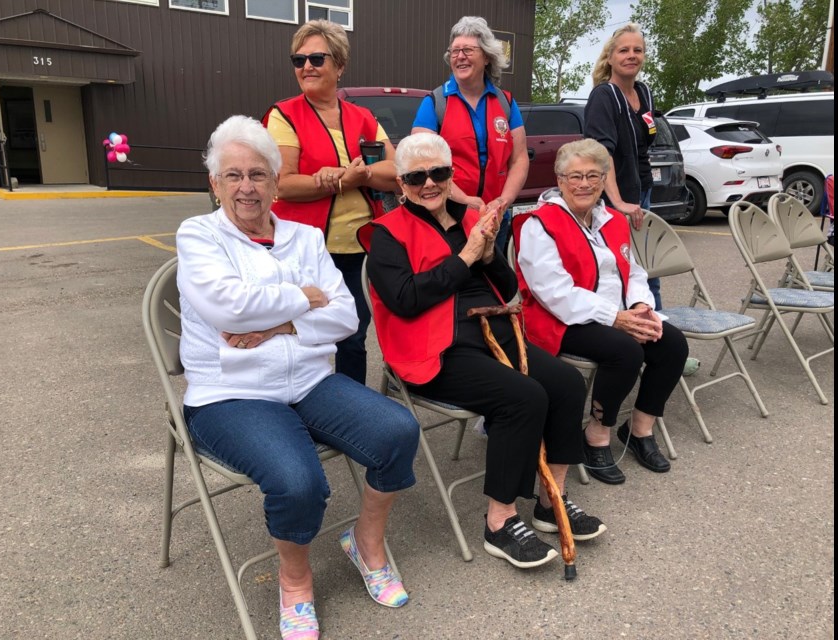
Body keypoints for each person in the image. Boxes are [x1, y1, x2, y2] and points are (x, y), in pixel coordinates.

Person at [179, 115, 419, 640]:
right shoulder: (198, 235)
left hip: (308, 381)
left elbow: (347, 318)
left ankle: (366, 543)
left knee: (398, 430)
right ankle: (295, 582)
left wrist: (280, 323)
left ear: (273, 179)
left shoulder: (304, 237)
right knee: (298, 480)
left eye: (259, 174)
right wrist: (305, 300)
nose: (247, 187)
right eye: (234, 175)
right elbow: (228, 308)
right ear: (214, 184)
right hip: (230, 393)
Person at [361, 132, 605, 571]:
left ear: (451, 175)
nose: (430, 183)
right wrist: (465, 258)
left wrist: (488, 256)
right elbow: (405, 300)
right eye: (417, 176)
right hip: (437, 346)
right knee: (523, 397)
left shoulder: (469, 219)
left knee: (567, 383)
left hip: (495, 331)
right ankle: (500, 520)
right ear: (401, 185)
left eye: (439, 172)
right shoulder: (386, 234)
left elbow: (510, 289)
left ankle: (553, 500)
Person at [513, 138, 689, 486]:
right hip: (561, 319)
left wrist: (640, 307)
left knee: (671, 343)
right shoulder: (540, 223)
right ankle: (596, 434)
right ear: (560, 180)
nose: (584, 184)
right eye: (575, 176)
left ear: (604, 179)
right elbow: (553, 292)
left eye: (593, 175)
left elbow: (633, 271)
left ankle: (639, 430)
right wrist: (616, 318)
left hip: (616, 314)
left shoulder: (611, 219)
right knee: (625, 351)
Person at [259, 19, 398, 386]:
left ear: (339, 65)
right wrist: (340, 181)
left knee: (353, 336)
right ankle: (306, 405)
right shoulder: (284, 115)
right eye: (298, 59)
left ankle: (353, 414)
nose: (306, 67)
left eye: (317, 58)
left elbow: (396, 170)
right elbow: (283, 185)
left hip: (357, 249)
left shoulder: (362, 117)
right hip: (304, 250)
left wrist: (357, 176)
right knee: (305, 333)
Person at [584, 22, 700, 376]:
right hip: (615, 201)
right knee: (624, 273)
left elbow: (642, 146)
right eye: (624, 50)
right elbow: (601, 155)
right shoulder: (606, 96)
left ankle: (659, 343)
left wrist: (641, 193)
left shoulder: (644, 93)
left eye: (637, 50)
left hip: (641, 194)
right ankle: (643, 347)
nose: (631, 55)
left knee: (646, 272)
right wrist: (618, 201)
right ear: (611, 56)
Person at [410, 15, 529, 258]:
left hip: (495, 217)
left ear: (486, 57)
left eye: (467, 50)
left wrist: (504, 201)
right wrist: (464, 199)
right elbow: (421, 163)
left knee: (492, 286)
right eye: (454, 51)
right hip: (449, 216)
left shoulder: (506, 102)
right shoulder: (435, 103)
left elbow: (518, 159)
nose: (459, 56)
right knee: (456, 284)